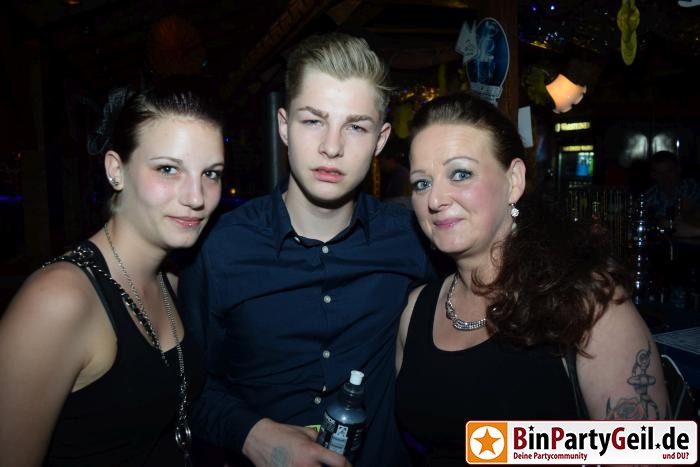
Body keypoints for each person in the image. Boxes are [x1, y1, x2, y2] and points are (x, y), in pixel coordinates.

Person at [178, 33, 433, 467]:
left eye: (356, 127)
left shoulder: (413, 238)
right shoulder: (220, 248)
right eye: (313, 121)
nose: (332, 147)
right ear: (284, 126)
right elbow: (187, 387)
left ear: (381, 139)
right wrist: (252, 434)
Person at [395, 93, 669, 466]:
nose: (436, 199)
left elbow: (649, 451)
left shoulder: (588, 302)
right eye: (421, 183)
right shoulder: (416, 311)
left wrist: (505, 446)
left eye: (460, 174)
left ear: (513, 181)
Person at [0, 81, 225, 466]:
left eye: (211, 174)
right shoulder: (57, 301)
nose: (196, 197)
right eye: (168, 169)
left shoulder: (171, 280)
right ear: (116, 170)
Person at [644, 150, 700, 236]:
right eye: (659, 173)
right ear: (653, 175)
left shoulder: (692, 188)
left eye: (669, 171)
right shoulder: (648, 198)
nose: (665, 177)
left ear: (679, 170)